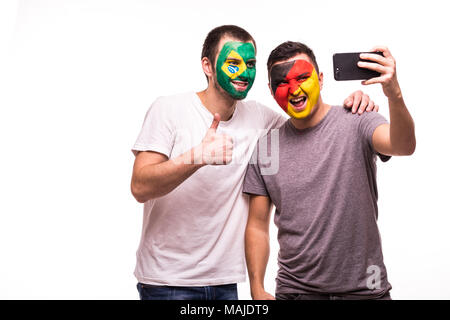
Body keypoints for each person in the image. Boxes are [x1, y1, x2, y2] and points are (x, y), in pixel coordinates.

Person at [130, 26, 378, 300]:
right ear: (208, 66)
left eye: (250, 64)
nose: (245, 73)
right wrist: (196, 157)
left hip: (226, 282)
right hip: (167, 282)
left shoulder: (262, 120)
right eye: (233, 63)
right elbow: (140, 186)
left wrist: (354, 105)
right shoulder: (169, 109)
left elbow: (308, 122)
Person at [243, 41, 416, 300]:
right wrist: (256, 287)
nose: (295, 89)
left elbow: (403, 145)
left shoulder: (358, 119)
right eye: (282, 82)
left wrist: (394, 94)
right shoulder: (266, 146)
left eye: (303, 77)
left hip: (365, 288)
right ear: (270, 89)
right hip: (296, 291)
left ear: (321, 79)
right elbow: (257, 225)